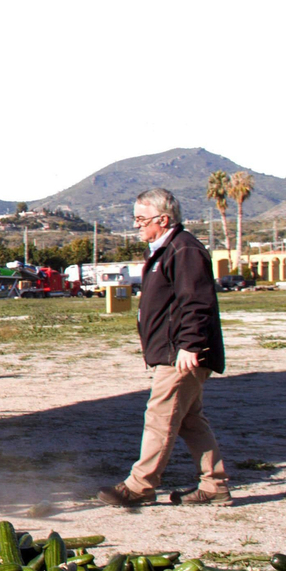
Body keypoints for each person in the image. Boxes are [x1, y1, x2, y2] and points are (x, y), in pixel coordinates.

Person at [98, 188, 229, 507]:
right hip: (173, 352)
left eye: (141, 219)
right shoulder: (164, 250)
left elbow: (197, 301)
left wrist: (191, 345)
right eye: (136, 219)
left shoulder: (184, 250)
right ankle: (215, 486)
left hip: (181, 355)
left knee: (159, 416)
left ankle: (140, 485)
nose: (137, 226)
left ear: (163, 219)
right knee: (189, 419)